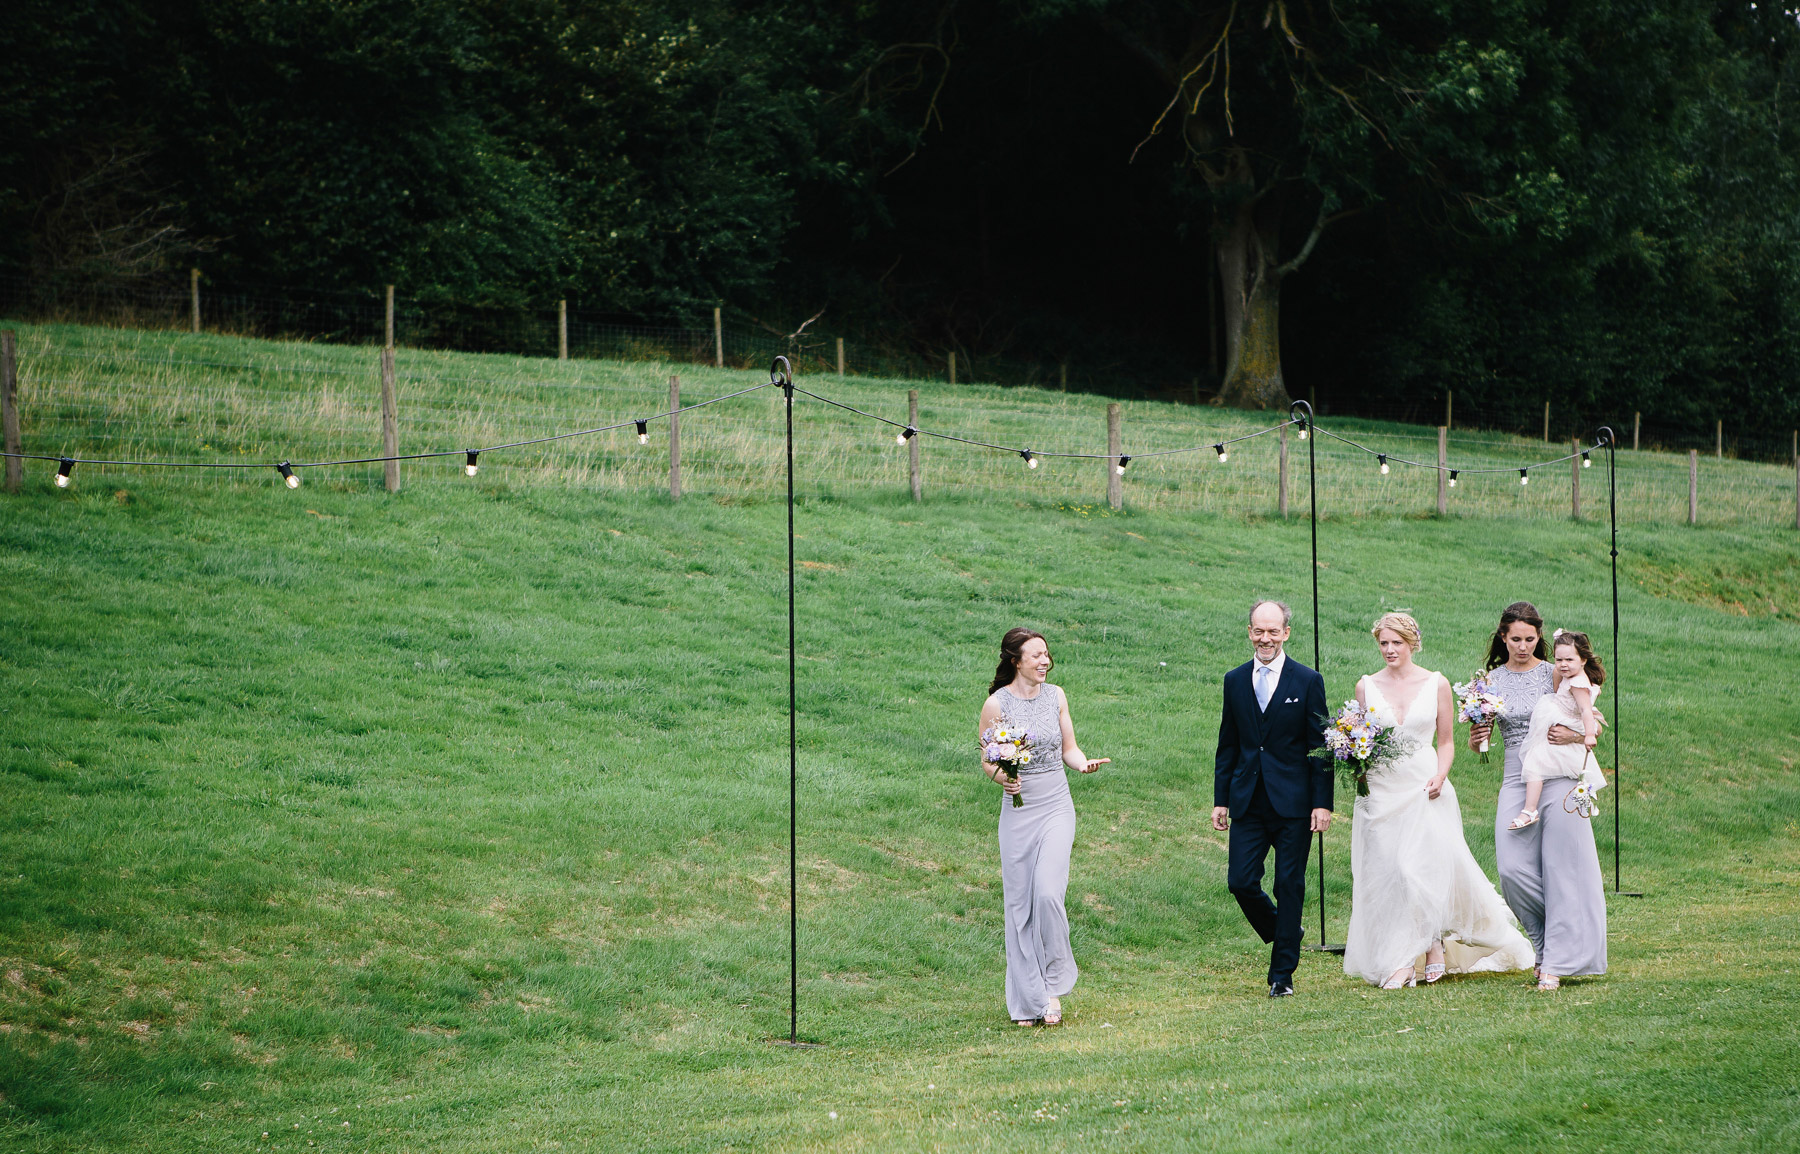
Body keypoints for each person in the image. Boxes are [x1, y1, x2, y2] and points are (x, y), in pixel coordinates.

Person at [1343, 612, 1534, 988]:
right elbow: (1360, 738)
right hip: (1382, 789)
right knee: (1390, 872)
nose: (1389, 650)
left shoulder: (1436, 683)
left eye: (1396, 642)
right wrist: (1356, 767)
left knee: (1417, 869)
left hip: (1425, 784)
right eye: (1383, 643)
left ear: (1412, 643)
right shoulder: (1366, 686)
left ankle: (1427, 947)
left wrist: (1441, 775)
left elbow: (1445, 741)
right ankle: (1413, 951)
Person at [1470, 602, 1608, 990]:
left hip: (1560, 772)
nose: (1523, 646)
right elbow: (1480, 744)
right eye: (1516, 639)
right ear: (1503, 637)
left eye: (1530, 639)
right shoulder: (1490, 681)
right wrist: (1477, 740)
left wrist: (1577, 735)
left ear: (1539, 638)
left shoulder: (1556, 672)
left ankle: (1557, 961)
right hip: (1518, 775)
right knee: (1512, 870)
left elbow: (1593, 722)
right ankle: (1545, 944)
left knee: (1562, 868)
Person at [979, 627, 1109, 1027]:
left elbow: (1069, 747)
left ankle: (1053, 986)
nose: (1044, 661)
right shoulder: (995, 704)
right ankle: (1028, 1002)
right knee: (1019, 906)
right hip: (1018, 810)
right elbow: (988, 760)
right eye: (1035, 656)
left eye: (1047, 654)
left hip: (1056, 803)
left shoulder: (1057, 696)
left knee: (1048, 894)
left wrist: (1083, 763)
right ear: (1016, 661)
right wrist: (1004, 778)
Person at [1212, 599, 1331, 998]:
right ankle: (1287, 930)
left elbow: (1320, 747)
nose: (1266, 638)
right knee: (1241, 882)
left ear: (1286, 633)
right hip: (1247, 799)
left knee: (1289, 883)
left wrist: (1322, 803)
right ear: (1249, 632)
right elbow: (1228, 744)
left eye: (1273, 631)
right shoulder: (1234, 679)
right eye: (1259, 631)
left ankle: (1282, 975)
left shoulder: (1307, 680)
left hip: (1294, 803)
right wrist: (1221, 799)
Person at [1510, 630, 1606, 831]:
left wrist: (1588, 734)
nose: (1563, 664)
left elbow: (1586, 710)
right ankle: (1532, 808)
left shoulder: (1579, 683)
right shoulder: (1566, 674)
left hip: (1568, 718)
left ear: (1583, 660)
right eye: (1559, 659)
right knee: (1538, 756)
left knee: (1535, 761)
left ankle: (1530, 809)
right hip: (1557, 710)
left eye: (1569, 659)